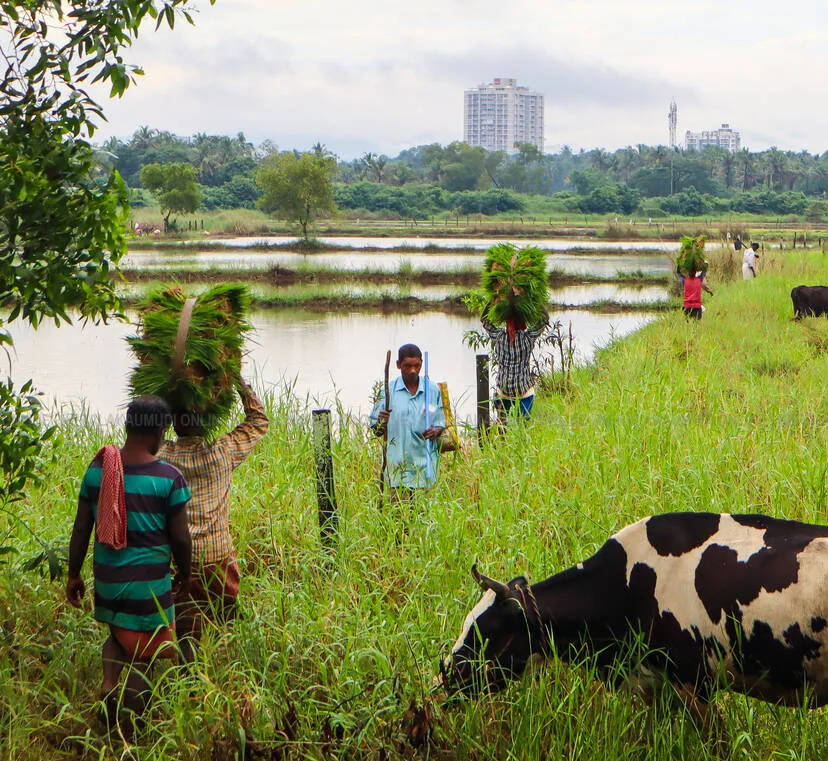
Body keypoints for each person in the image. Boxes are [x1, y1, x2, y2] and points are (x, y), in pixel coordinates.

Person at [66, 396, 191, 723]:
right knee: (144, 657)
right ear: (159, 433)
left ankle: (109, 683)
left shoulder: (98, 471)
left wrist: (73, 575)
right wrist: (185, 574)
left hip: (108, 581)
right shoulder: (169, 478)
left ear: (128, 427)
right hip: (146, 586)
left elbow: (81, 528)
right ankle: (126, 730)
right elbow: (180, 537)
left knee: (118, 634)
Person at [158, 375, 269, 661]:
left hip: (178, 559)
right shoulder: (222, 451)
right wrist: (237, 380)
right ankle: (228, 670)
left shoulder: (162, 454)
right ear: (207, 422)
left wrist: (161, 390)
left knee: (186, 629)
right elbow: (258, 421)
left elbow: (139, 430)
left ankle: (189, 680)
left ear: (173, 422)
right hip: (218, 555)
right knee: (226, 621)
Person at [369, 344, 445, 501]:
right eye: (407, 366)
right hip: (397, 470)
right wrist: (381, 422)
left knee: (425, 519)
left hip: (425, 470)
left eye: (416, 365)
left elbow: (440, 422)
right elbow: (376, 431)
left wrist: (436, 430)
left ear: (421, 364)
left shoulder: (432, 390)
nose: (412, 370)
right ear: (398, 365)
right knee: (398, 519)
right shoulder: (387, 392)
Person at [480, 301, 549, 419]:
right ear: (522, 324)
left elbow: (484, 320)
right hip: (524, 391)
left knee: (502, 427)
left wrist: (493, 300)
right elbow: (544, 319)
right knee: (523, 427)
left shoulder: (499, 338)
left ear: (507, 324)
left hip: (503, 391)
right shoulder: (527, 339)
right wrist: (532, 299)